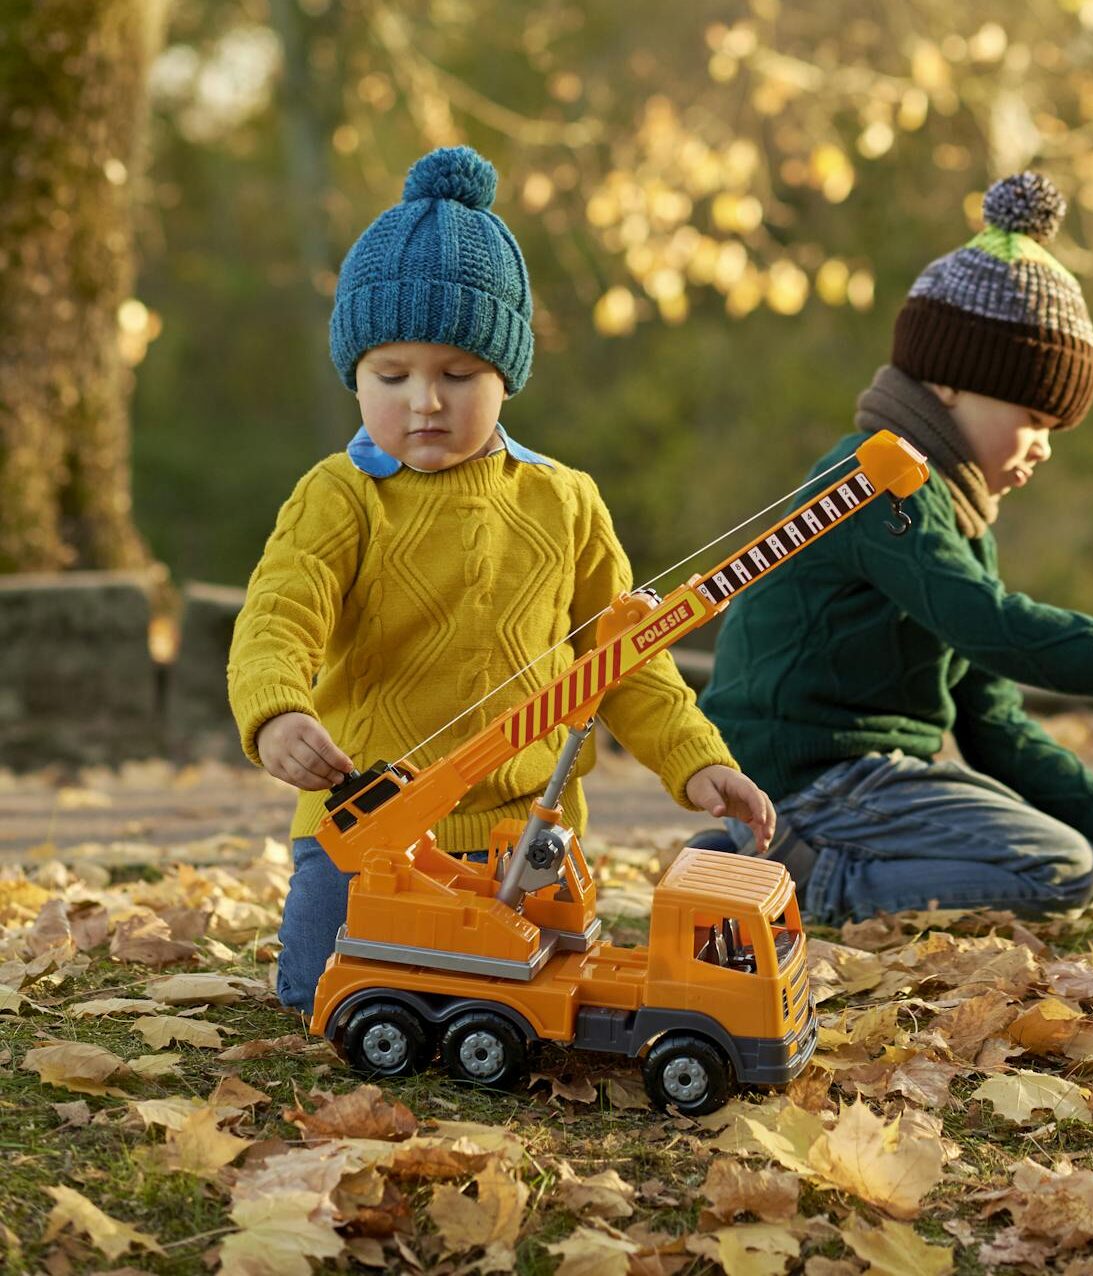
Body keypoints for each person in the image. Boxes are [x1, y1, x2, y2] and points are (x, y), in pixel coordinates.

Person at [228, 147, 774, 1013]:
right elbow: (276, 617)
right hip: (367, 837)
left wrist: (695, 763)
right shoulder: (340, 495)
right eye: (391, 374)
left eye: (458, 374)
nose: (424, 403)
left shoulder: (564, 501)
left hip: (527, 835)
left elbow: (629, 658)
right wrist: (277, 710)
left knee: (548, 1004)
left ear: (506, 373)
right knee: (321, 999)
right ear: (355, 374)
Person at [699, 171, 1093, 923]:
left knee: (1081, 847)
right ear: (948, 384)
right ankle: (795, 882)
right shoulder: (878, 483)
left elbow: (990, 719)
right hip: (812, 777)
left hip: (869, 778)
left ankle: (770, 865)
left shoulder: (951, 511)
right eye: (1033, 417)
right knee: (1061, 869)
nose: (1041, 447)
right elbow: (992, 628)